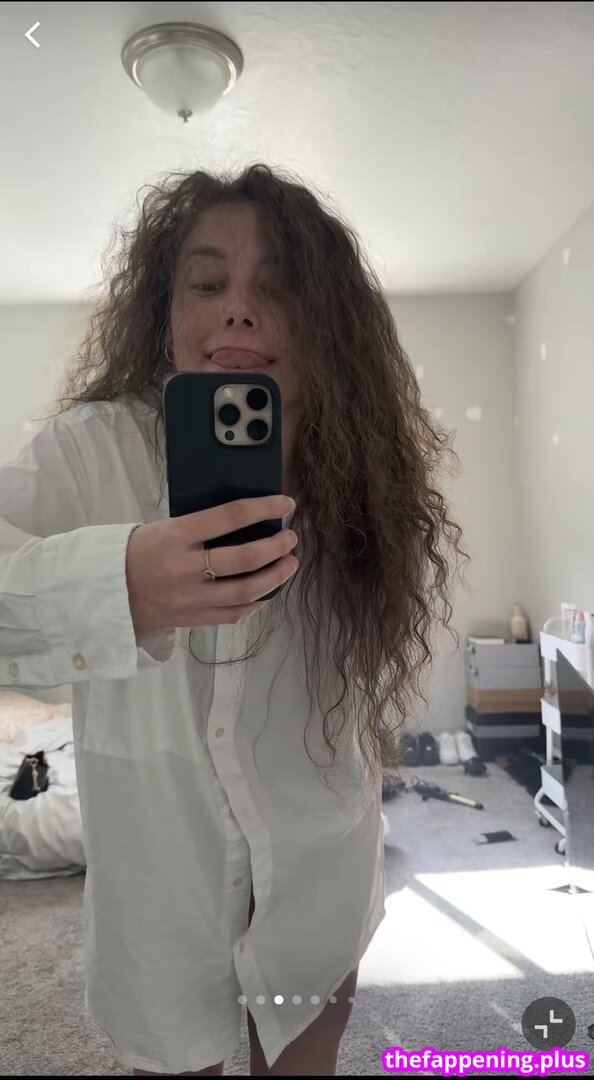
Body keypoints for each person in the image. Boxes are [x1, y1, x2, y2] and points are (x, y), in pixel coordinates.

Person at [0, 164, 467, 1076]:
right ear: (166, 311)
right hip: (159, 903)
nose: (240, 311)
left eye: (278, 288)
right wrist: (117, 582)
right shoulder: (93, 453)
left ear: (325, 318)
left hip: (320, 880)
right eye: (207, 284)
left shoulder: (371, 479)